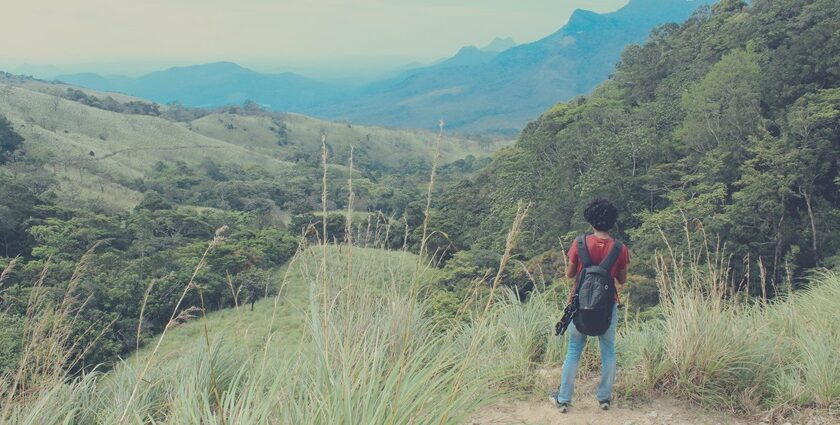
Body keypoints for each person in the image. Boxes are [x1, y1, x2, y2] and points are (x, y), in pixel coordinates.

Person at [551, 198, 630, 413]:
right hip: (607, 307)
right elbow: (622, 280)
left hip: (579, 306)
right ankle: (604, 398)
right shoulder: (620, 249)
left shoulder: (579, 243)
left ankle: (564, 399)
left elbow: (569, 275)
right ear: (612, 222)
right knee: (609, 351)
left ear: (590, 221)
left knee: (574, 351)